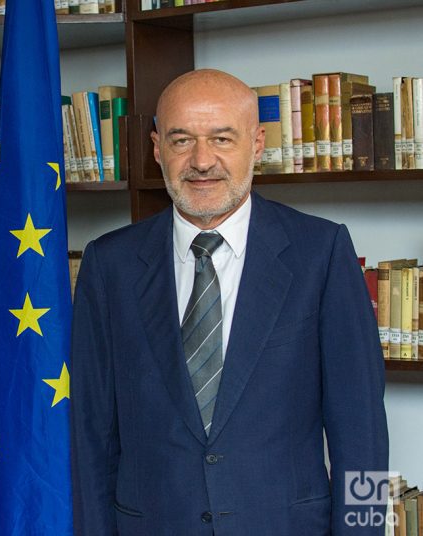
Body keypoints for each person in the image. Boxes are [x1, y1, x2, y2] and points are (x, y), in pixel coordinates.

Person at [70, 69, 388, 535]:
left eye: (222, 138)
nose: (202, 161)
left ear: (257, 144)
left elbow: (363, 434)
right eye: (181, 141)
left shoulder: (320, 253)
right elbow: (89, 435)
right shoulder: (109, 264)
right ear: (157, 149)